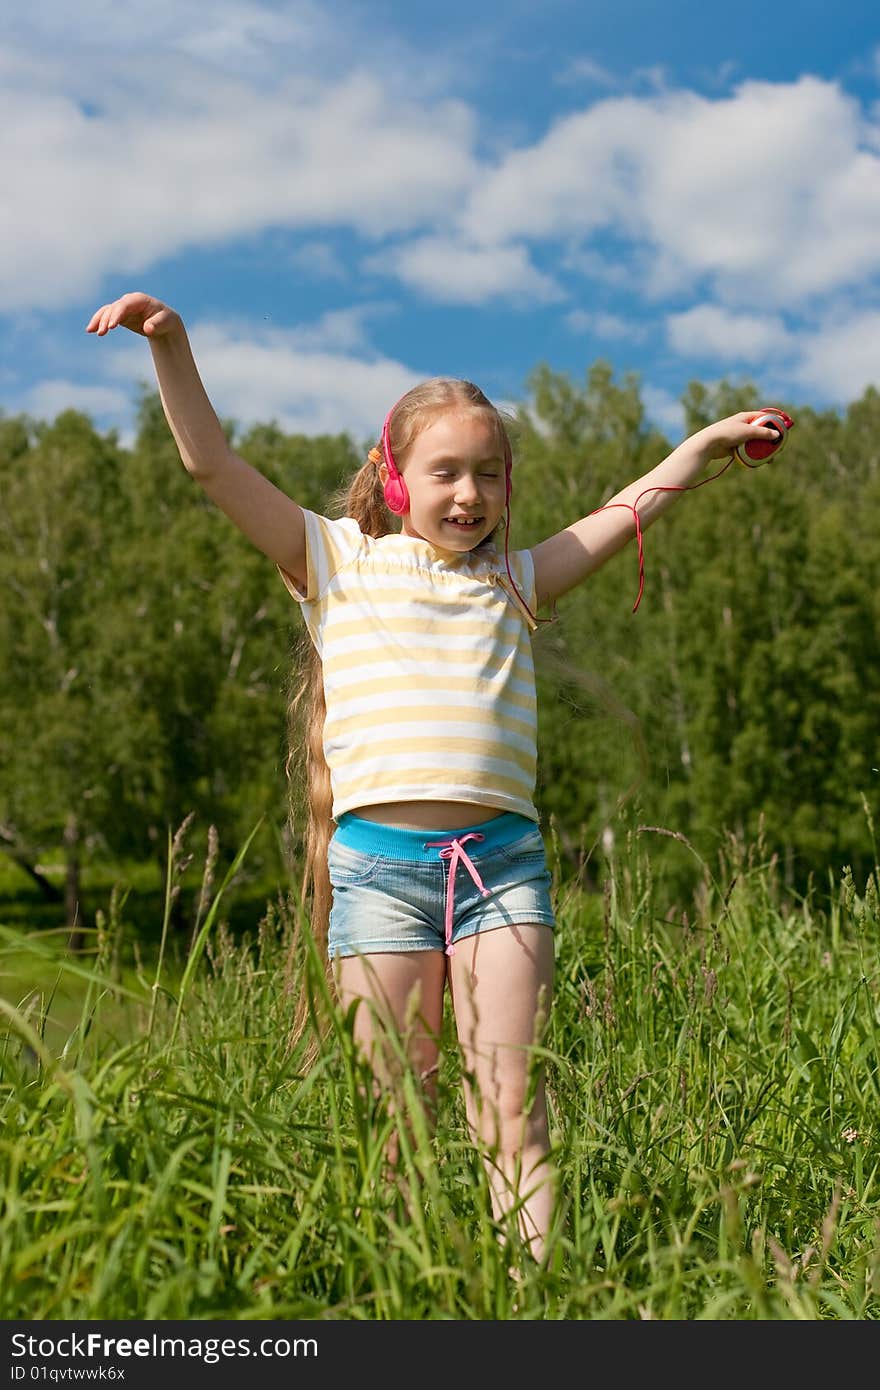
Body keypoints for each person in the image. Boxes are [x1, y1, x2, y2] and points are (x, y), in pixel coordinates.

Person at [87, 291, 781, 1264]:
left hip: (503, 871)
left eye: (488, 475)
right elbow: (213, 464)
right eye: (446, 471)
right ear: (397, 480)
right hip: (379, 877)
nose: (469, 493)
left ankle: (530, 1305)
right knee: (396, 1124)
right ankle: (408, 1304)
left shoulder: (515, 581)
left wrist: (702, 446)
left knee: (510, 1107)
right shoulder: (335, 562)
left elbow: (623, 516)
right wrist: (172, 346)